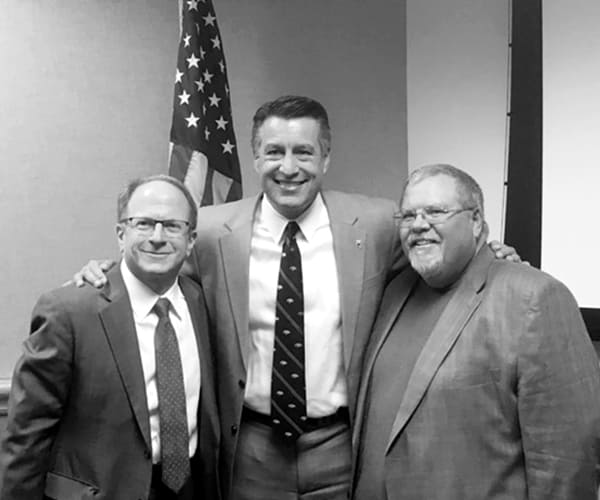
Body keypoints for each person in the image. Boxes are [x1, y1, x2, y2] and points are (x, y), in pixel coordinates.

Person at [74, 97, 519, 500]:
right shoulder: (210, 232)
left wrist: (491, 256)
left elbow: (438, 250)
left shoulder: (377, 224)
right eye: (274, 152)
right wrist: (104, 274)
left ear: (326, 157)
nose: (289, 167)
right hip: (251, 448)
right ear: (256, 157)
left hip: (341, 447)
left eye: (303, 151)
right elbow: (153, 267)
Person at [351, 164, 600, 500]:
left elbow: (567, 460)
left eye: (436, 211)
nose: (420, 225)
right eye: (408, 215)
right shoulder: (394, 292)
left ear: (477, 221)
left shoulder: (532, 298)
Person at [0, 175, 219, 500]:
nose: (157, 237)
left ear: (190, 240)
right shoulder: (68, 312)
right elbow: (27, 435)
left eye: (172, 226)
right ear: (121, 234)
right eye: (143, 224)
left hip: (188, 489)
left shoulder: (203, 302)